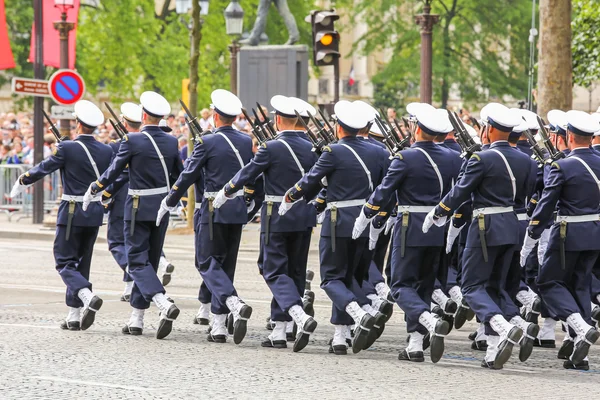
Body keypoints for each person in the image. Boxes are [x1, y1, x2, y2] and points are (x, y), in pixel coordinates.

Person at [423, 103, 537, 370]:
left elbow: (461, 191)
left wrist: (439, 212)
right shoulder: (526, 160)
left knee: (472, 287)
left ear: (488, 129)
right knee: (495, 288)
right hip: (511, 225)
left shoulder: (481, 159)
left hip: (486, 226)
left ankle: (503, 327)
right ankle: (495, 347)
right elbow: (528, 193)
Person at [279, 100, 389, 355]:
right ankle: (341, 336)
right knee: (349, 277)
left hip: (339, 220)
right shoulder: (379, 152)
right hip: (365, 219)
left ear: (339, 127)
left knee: (331, 279)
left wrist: (291, 196)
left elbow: (311, 180)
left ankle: (362, 312)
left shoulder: (333, 151)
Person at [212, 95, 319, 352]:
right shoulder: (313, 147)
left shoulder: (271, 147)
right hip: (304, 214)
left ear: (278, 119)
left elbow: (249, 172)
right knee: (293, 271)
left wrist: (227, 189)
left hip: (277, 215)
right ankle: (280, 331)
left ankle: (298, 315)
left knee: (272, 269)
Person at [354, 106, 458, 363]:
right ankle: (414, 344)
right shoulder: (453, 158)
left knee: (400, 285)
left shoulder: (405, 158)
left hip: (410, 225)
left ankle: (430, 321)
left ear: (417, 128)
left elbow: (384, 191)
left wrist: (367, 214)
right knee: (423, 285)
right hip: (438, 228)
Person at [83, 91, 183, 339]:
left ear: (144, 115)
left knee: (137, 262)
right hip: (161, 207)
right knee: (148, 261)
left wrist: (96, 188)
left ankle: (162, 302)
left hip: (138, 207)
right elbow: (178, 175)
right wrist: (171, 199)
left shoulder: (132, 140)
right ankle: (136, 318)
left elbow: (114, 170)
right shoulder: (172, 142)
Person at [157, 89, 254, 345]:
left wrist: (170, 199)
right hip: (236, 210)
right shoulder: (245, 142)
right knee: (225, 267)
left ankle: (233, 301)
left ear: (215, 115)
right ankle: (219, 326)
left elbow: (188, 174)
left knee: (205, 262)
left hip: (212, 208)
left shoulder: (206, 142)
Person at [11, 100, 113, 332]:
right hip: (95, 211)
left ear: (77, 124)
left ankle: (87, 296)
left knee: (64, 261)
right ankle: (74, 315)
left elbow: (45, 167)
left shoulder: (67, 148)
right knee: (82, 262)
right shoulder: (107, 150)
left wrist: (23, 180)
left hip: (71, 211)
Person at [521, 110, 600, 371]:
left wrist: (532, 233)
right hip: (595, 233)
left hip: (568, 233)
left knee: (548, 281)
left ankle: (580, 326)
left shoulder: (561, 166)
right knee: (580, 285)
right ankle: (581, 354)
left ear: (568, 136)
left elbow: (546, 205)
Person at [101, 102, 141, 302]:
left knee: (117, 242)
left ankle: (133, 272)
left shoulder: (118, 146)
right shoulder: (148, 142)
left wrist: (105, 195)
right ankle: (129, 286)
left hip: (122, 198)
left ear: (124, 122)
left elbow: (115, 174)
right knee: (134, 243)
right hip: (146, 201)